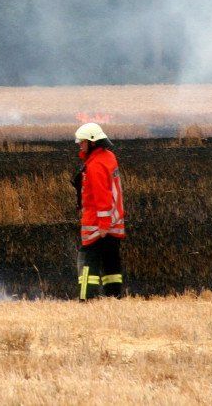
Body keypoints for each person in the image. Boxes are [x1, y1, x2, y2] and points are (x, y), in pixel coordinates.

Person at [72, 122, 125, 300]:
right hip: (115, 222)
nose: (80, 145)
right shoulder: (109, 157)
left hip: (97, 224)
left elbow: (102, 196)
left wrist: (103, 225)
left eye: (82, 142)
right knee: (111, 261)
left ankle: (87, 298)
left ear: (92, 142)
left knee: (87, 260)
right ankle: (114, 297)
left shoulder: (95, 165)